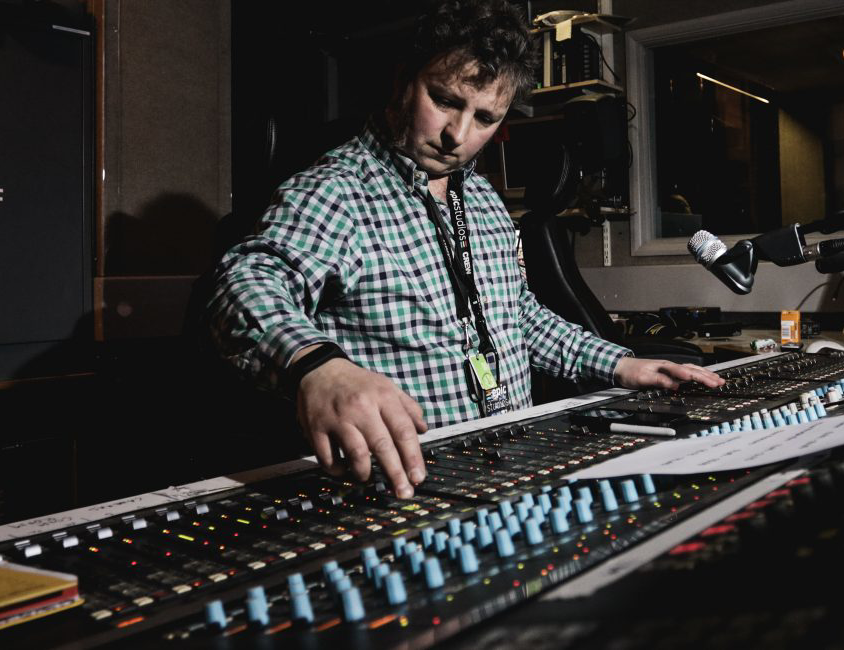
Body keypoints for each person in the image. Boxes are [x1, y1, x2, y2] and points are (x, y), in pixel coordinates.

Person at [208, 0, 722, 499]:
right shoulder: (334, 190)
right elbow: (245, 282)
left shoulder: (482, 198)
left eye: (485, 118)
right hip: (408, 491)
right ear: (403, 80)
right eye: (445, 100)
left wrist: (621, 364)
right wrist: (317, 366)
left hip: (509, 471)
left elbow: (517, 318)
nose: (458, 135)